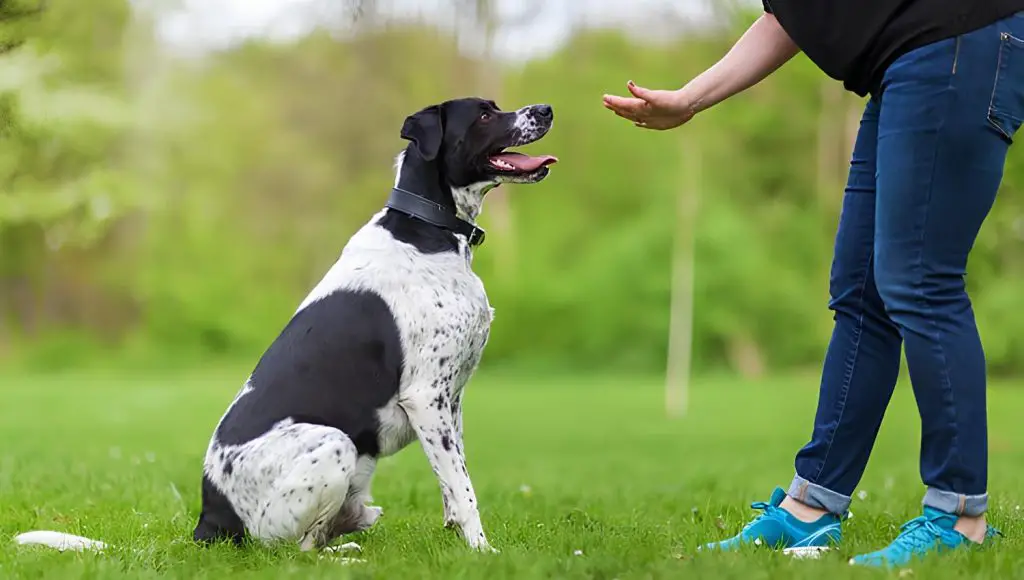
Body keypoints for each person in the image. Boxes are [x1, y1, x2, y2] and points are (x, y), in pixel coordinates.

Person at [603, 0, 1024, 568]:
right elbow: (789, 19)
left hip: (955, 42)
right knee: (861, 294)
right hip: (905, 66)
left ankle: (960, 516)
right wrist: (689, 99)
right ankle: (812, 506)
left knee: (920, 281)